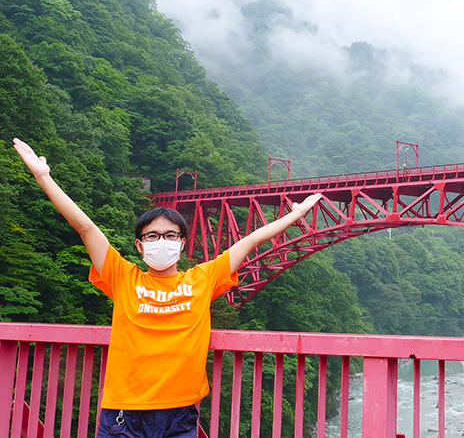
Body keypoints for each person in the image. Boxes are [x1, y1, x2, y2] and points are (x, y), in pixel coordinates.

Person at [12, 138, 322, 437]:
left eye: (170, 235)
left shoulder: (203, 278)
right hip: (125, 413)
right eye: (152, 236)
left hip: (180, 414)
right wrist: (44, 178)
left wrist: (295, 215)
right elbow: (85, 227)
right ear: (139, 245)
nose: (162, 241)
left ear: (182, 243)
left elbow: (251, 240)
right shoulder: (123, 277)